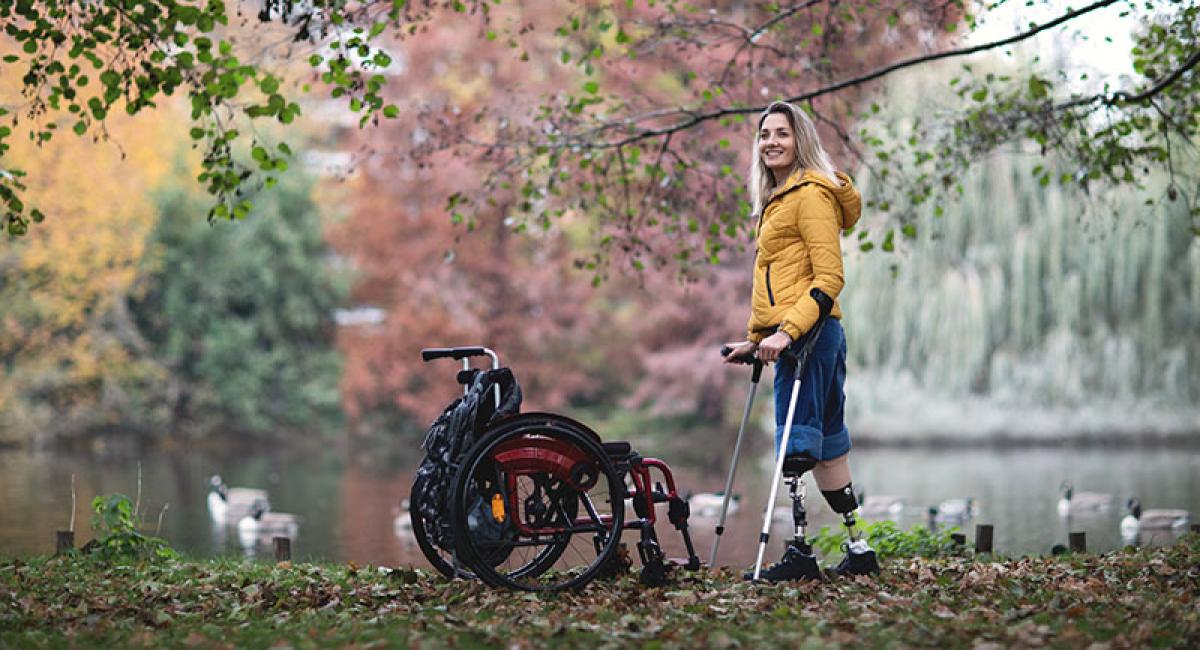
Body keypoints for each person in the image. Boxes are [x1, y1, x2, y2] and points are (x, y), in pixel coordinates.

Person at [724, 100, 876, 580]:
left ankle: (801, 554)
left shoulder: (810, 195)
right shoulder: (781, 197)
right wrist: (756, 339)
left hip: (809, 335)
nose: (771, 141)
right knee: (829, 446)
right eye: (764, 134)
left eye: (782, 134)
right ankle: (859, 549)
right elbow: (779, 278)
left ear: (800, 140)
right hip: (809, 333)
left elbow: (829, 277)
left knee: (797, 441)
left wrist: (788, 332)